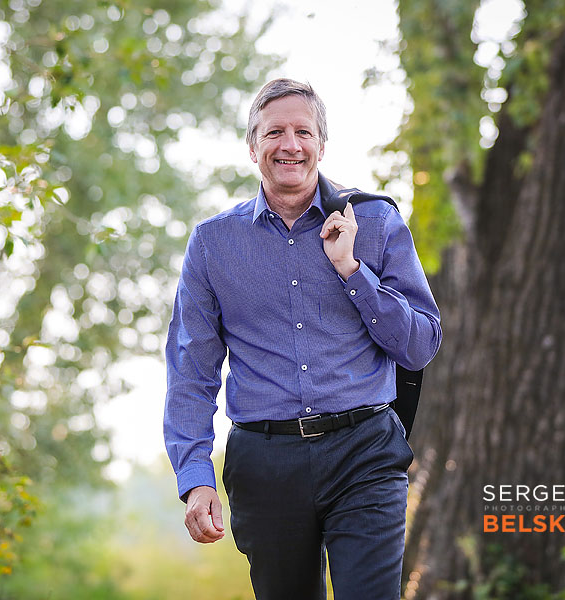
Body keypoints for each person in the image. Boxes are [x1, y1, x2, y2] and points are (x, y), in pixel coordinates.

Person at [163, 78, 442, 599]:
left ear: (320, 143)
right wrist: (196, 475)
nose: (289, 144)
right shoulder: (213, 243)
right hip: (264, 462)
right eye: (274, 132)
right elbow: (191, 369)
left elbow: (421, 344)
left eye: (302, 132)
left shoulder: (376, 222)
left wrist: (353, 271)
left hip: (365, 451)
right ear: (253, 147)